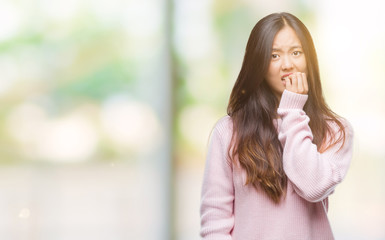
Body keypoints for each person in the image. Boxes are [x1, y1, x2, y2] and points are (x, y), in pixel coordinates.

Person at [200, 12, 354, 240]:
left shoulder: (336, 130)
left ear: (309, 59)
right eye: (274, 55)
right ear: (259, 63)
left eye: (296, 52)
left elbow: (313, 187)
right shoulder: (229, 131)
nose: (287, 65)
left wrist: (292, 111)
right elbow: (215, 223)